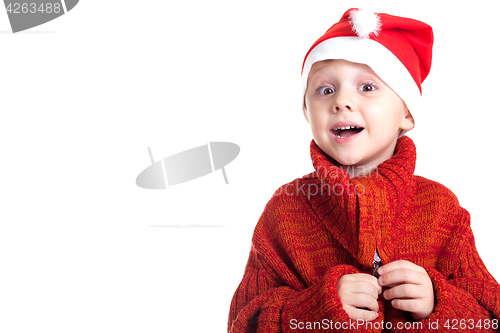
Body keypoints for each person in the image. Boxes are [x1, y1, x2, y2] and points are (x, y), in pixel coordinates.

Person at [228, 8, 500, 332]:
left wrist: (438, 304)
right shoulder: (284, 214)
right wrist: (316, 309)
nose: (341, 101)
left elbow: (490, 317)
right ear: (306, 112)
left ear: (407, 113)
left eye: (367, 87)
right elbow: (242, 324)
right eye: (325, 90)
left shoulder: (443, 211)